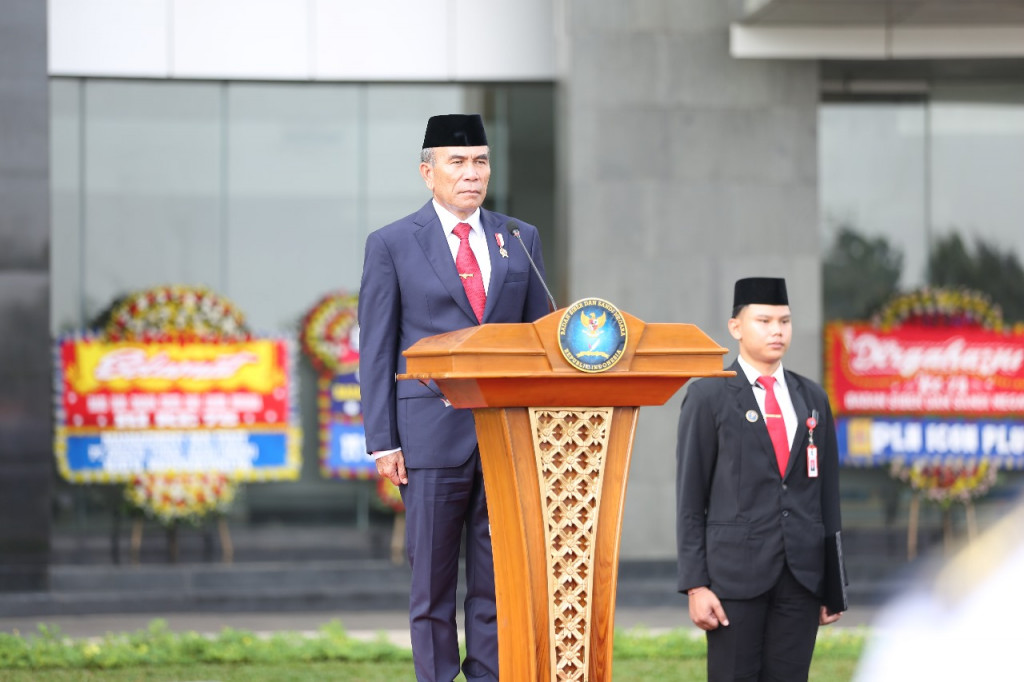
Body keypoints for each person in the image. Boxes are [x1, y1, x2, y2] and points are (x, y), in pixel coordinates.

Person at [358, 113, 551, 682]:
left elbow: (540, 340)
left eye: (481, 162)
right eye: (458, 162)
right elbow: (377, 347)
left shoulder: (520, 238)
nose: (472, 174)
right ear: (428, 172)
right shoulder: (392, 244)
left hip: (505, 437)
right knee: (433, 585)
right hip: (428, 439)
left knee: (496, 583)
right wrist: (382, 440)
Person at [675, 277, 844, 682]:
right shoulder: (709, 397)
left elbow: (827, 495)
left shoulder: (812, 397)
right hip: (734, 578)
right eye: (764, 320)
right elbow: (690, 498)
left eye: (784, 322)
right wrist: (696, 585)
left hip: (800, 578)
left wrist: (833, 583)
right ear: (736, 327)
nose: (776, 331)